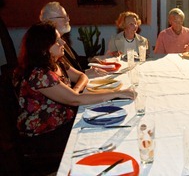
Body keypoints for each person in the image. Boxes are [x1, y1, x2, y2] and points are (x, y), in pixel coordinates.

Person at [13, 22, 135, 169]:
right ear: (45, 48)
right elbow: (76, 99)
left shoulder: (57, 62)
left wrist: (74, 91)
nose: (62, 42)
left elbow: (82, 77)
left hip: (64, 118)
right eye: (57, 41)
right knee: (98, 136)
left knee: (107, 124)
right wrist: (118, 93)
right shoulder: (40, 74)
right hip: (43, 135)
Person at [39, 1, 107, 77]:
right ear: (49, 21)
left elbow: (75, 61)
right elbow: (63, 76)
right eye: (63, 17)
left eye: (67, 16)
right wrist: (86, 73)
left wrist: (89, 60)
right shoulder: (47, 46)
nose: (68, 19)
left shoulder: (62, 38)